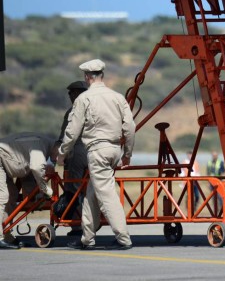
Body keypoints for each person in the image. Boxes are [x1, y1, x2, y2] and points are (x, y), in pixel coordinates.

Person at [59, 59, 136, 250]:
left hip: (97, 151)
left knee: (107, 194)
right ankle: (87, 238)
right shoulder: (117, 97)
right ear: (102, 75)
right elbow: (130, 127)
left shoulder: (83, 99)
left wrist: (62, 152)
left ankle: (123, 238)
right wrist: (127, 154)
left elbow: (72, 130)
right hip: (114, 150)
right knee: (92, 194)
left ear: (87, 78)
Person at [0, 132, 57, 249]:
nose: (58, 160)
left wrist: (37, 196)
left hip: (6, 162)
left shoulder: (44, 145)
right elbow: (36, 167)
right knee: (3, 197)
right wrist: (45, 189)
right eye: (61, 156)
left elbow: (27, 173)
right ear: (58, 148)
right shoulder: (40, 144)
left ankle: (7, 236)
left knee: (12, 195)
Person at [56, 80, 88, 236]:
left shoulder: (73, 111)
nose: (70, 96)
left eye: (72, 93)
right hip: (95, 152)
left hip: (77, 152)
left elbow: (66, 135)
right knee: (89, 189)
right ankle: (86, 223)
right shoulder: (94, 108)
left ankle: (78, 225)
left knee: (73, 188)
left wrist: (60, 152)